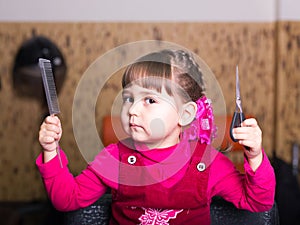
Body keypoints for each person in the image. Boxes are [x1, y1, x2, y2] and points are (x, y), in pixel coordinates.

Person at [37, 49, 275, 225]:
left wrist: (254, 157)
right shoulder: (114, 159)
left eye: (150, 100)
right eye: (129, 98)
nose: (132, 109)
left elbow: (258, 202)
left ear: (185, 114)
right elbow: (67, 199)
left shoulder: (208, 164)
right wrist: (51, 151)